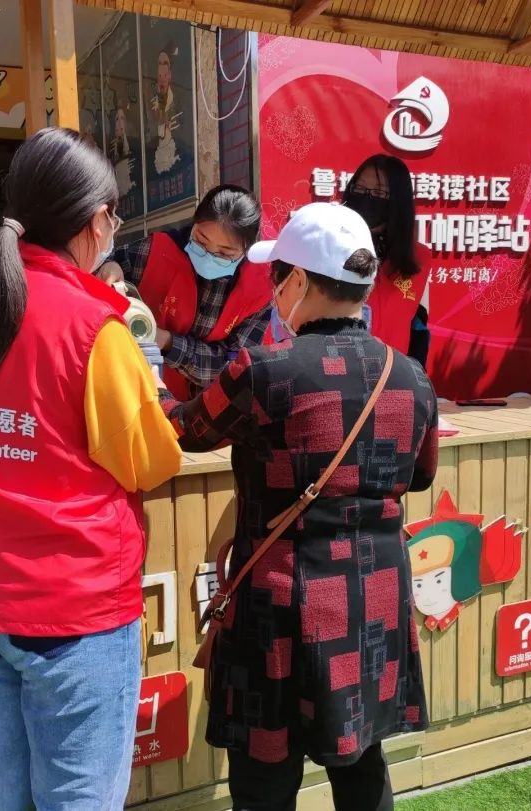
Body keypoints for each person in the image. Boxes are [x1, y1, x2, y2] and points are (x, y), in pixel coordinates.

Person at [160, 202, 439, 811]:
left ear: (299, 282)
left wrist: (152, 370)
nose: (273, 288)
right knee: (362, 766)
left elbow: (184, 429)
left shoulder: (264, 370)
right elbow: (420, 476)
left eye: (276, 275)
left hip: (280, 606)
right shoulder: (412, 376)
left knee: (265, 781)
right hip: (373, 597)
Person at [0, 127, 182, 811]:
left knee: (5, 786)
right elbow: (151, 462)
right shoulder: (94, 326)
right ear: (97, 220)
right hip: (71, 610)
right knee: (79, 798)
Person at [96, 184, 271, 399]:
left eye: (225, 253)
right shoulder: (154, 252)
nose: (209, 255)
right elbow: (94, 265)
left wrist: (166, 341)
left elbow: (232, 367)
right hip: (134, 393)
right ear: (194, 223)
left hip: (202, 409)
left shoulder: (259, 292)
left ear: (247, 249)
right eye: (201, 240)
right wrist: (108, 265)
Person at [341, 154, 432, 367]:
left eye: (379, 193)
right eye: (359, 189)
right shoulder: (331, 247)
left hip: (392, 377)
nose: (367, 198)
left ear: (398, 202)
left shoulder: (419, 258)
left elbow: (418, 328)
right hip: (337, 374)